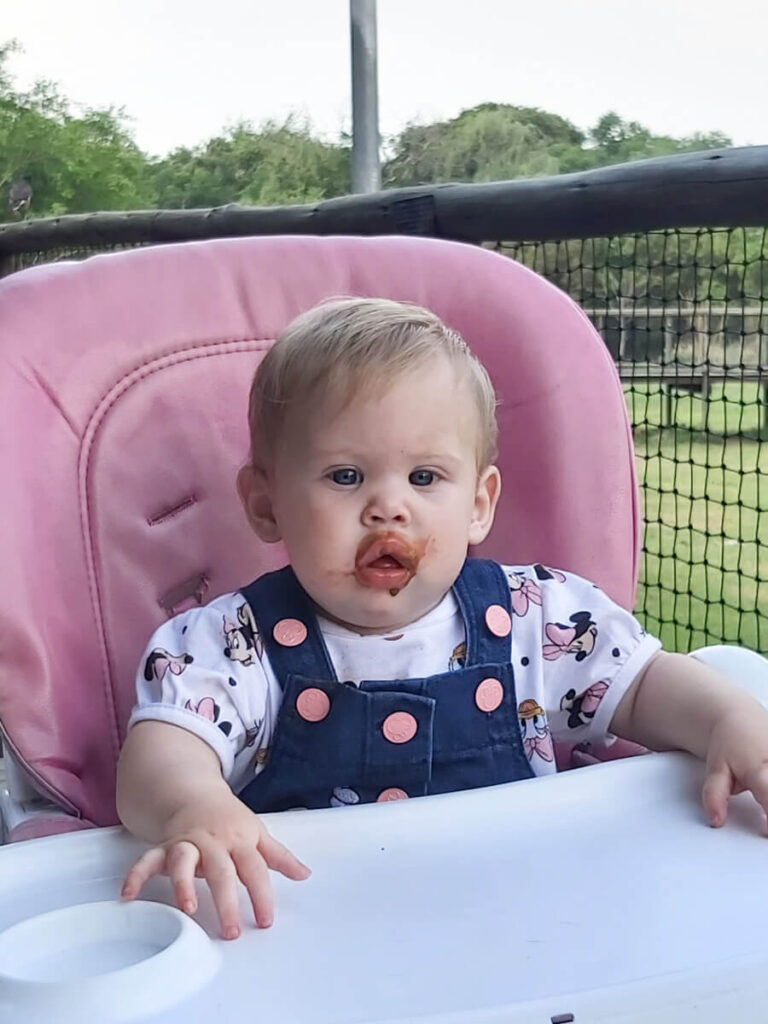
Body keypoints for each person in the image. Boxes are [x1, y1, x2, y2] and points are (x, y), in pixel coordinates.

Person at [117, 297, 768, 941]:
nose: (389, 507)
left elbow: (647, 683)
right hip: (317, 940)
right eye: (345, 476)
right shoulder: (232, 646)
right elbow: (164, 750)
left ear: (479, 504)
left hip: (528, 925)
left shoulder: (535, 618)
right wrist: (193, 805)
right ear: (266, 503)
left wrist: (731, 721)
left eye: (425, 477)